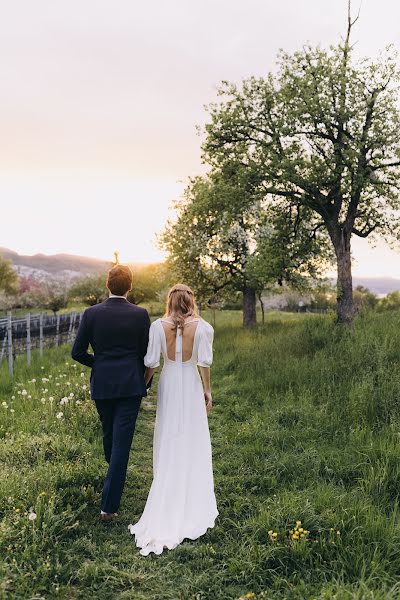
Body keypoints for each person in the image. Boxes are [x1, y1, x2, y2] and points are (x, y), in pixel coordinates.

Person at [128, 283, 218, 555]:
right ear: (191, 301)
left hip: (169, 383)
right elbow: (204, 363)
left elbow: (152, 363)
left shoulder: (157, 327)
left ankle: (169, 479)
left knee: (169, 433)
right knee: (191, 434)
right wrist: (207, 390)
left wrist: (143, 386)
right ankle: (191, 494)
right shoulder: (203, 327)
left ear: (169, 301)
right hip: (189, 384)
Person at [71, 264, 150, 522]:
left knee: (112, 438)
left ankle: (109, 506)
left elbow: (77, 352)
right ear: (130, 286)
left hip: (103, 384)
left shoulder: (91, 314)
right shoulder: (141, 314)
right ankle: (114, 476)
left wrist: (101, 363)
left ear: (107, 285)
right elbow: (144, 353)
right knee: (117, 443)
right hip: (129, 384)